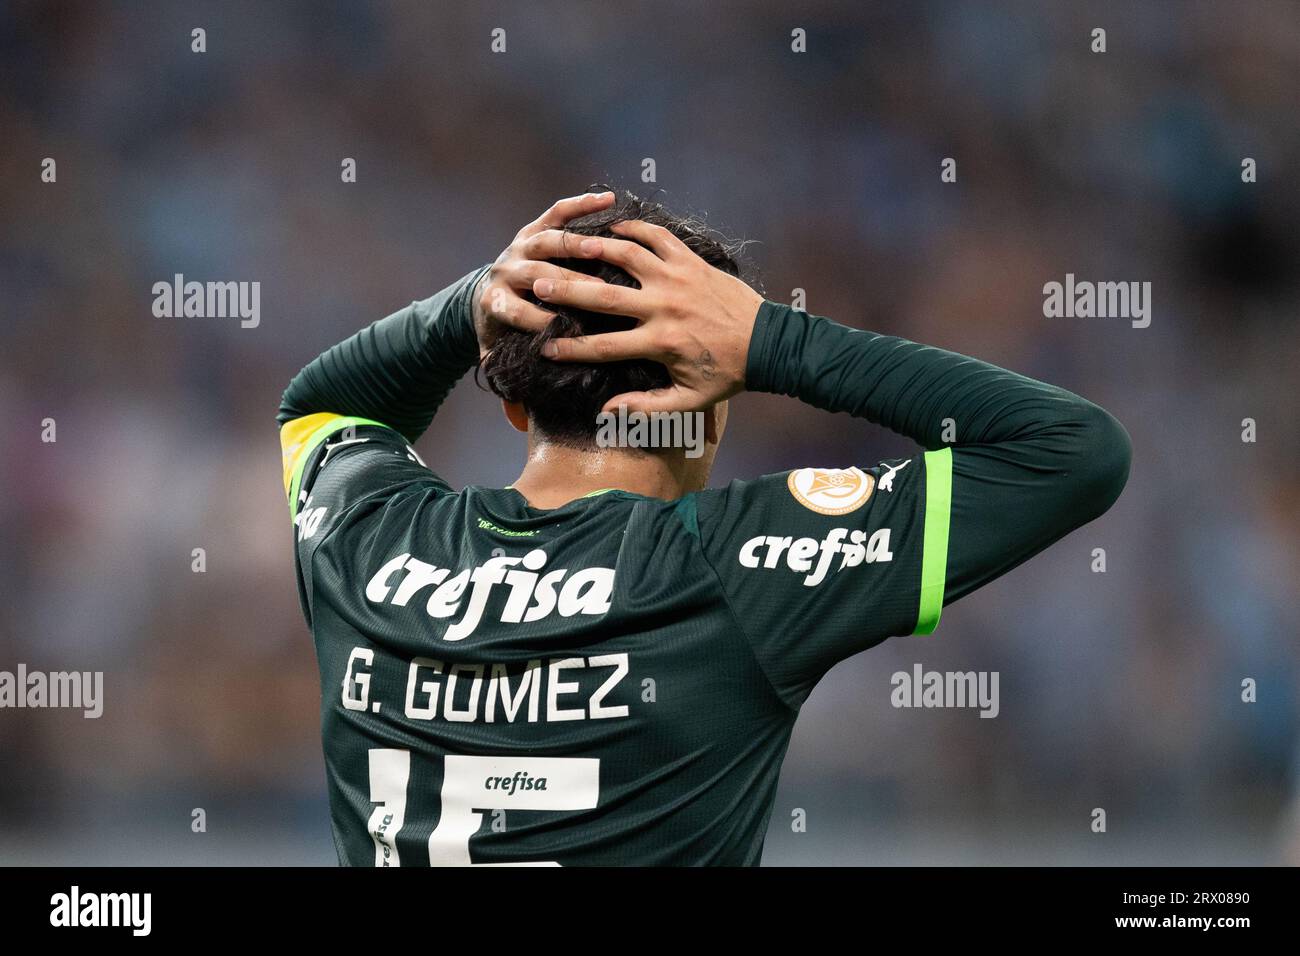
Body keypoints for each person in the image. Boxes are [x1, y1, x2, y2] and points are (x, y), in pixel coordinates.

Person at [278, 189, 1131, 866]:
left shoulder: (368, 541)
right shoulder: (733, 567)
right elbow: (1071, 449)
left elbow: (319, 406)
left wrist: (472, 304)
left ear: (510, 403)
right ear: (708, 403)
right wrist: (775, 341)